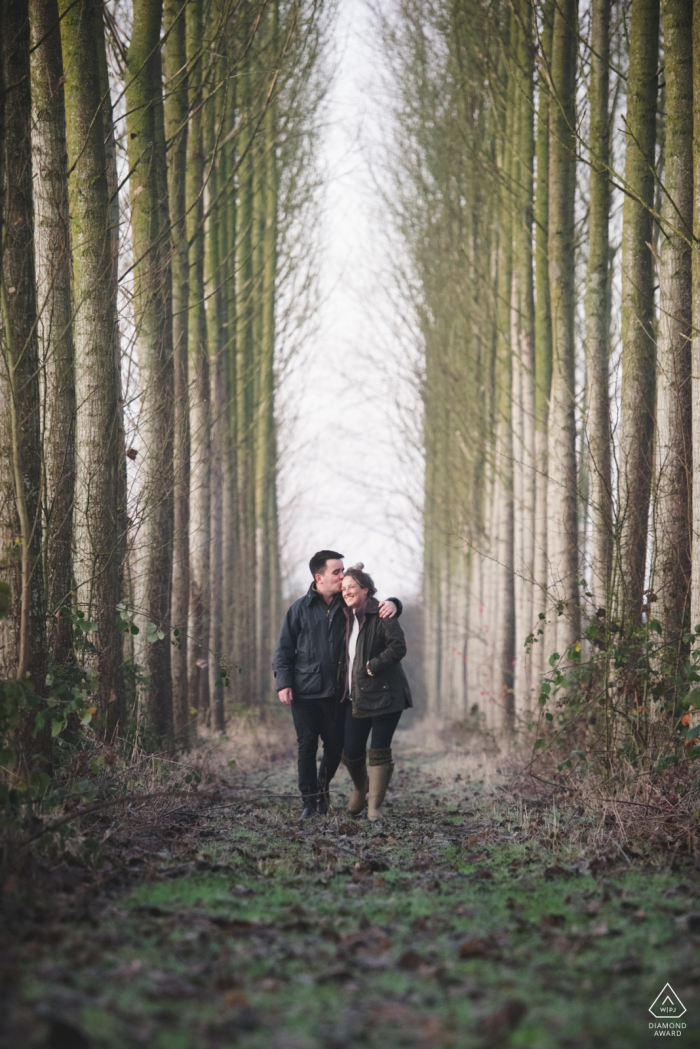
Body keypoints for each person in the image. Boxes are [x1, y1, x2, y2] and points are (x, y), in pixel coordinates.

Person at [272, 551, 402, 820]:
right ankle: (309, 801)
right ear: (319, 578)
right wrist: (283, 683)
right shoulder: (299, 609)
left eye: (344, 570)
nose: (342, 576)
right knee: (307, 745)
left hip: (338, 694)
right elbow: (283, 651)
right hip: (305, 693)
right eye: (336, 572)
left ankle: (322, 789)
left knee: (335, 748)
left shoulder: (348, 607)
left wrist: (394, 603)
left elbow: (372, 603)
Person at [340, 564, 412, 821]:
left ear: (366, 590)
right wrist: (351, 569)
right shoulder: (345, 617)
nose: (346, 592)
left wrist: (373, 665)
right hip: (356, 697)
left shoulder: (382, 613)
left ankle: (374, 807)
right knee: (351, 751)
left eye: (352, 587)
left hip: (386, 695)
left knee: (379, 750)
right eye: (343, 588)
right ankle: (361, 789)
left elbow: (398, 647)